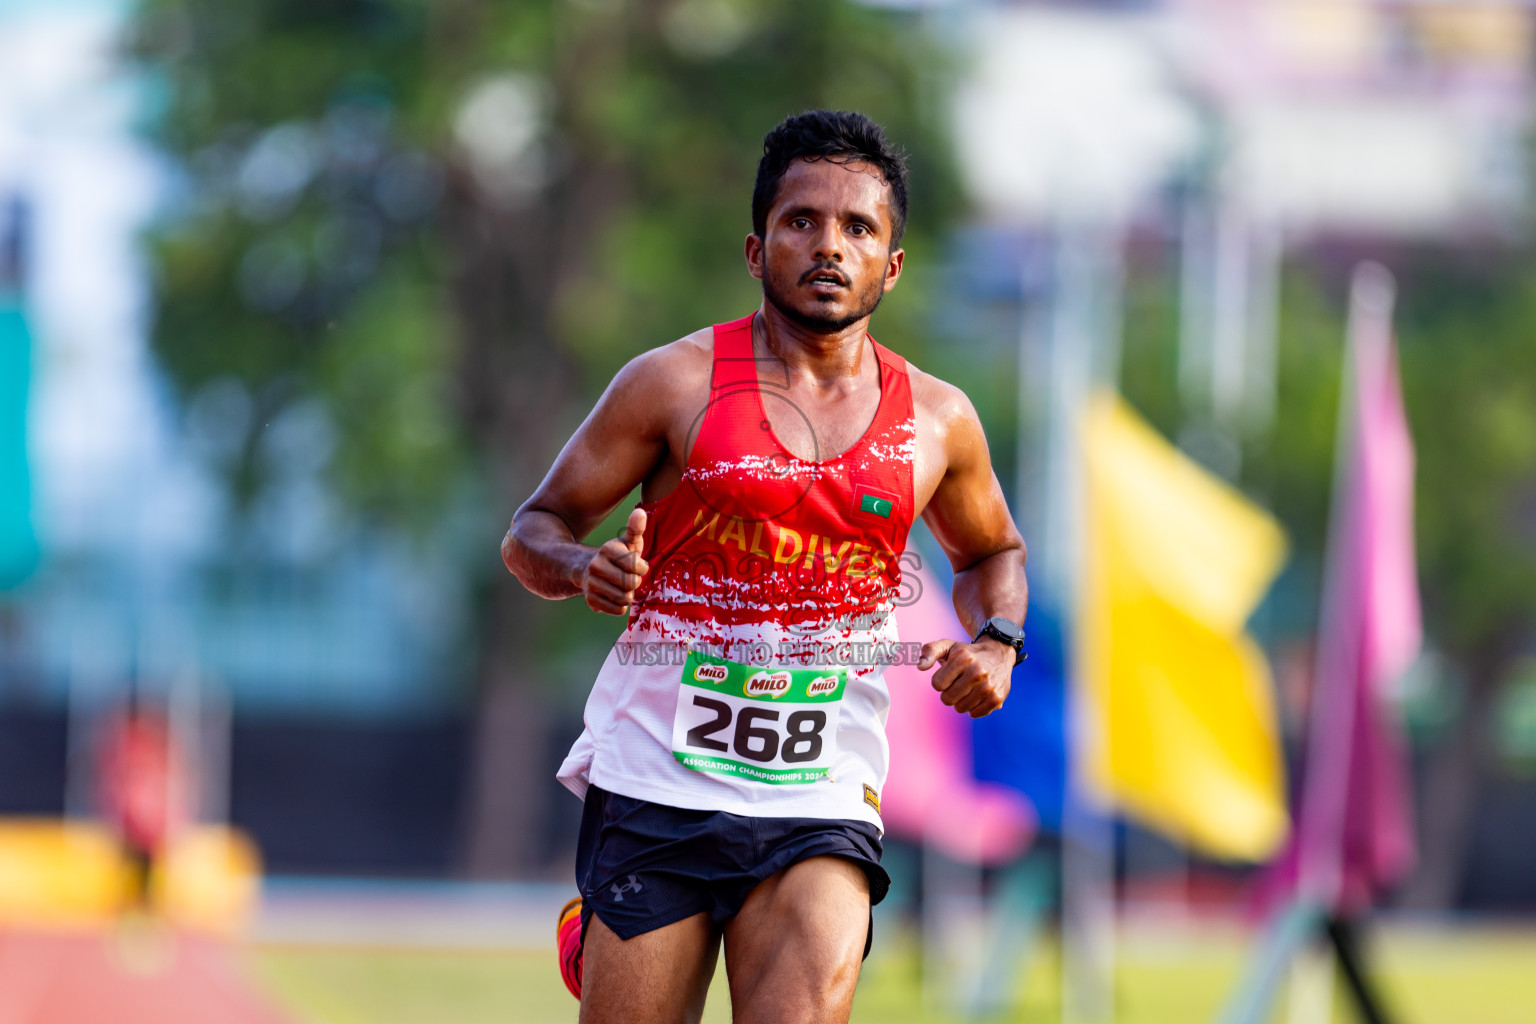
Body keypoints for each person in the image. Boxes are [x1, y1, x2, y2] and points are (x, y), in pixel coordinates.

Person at [503, 109, 1028, 1024]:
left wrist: (998, 640)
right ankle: (598, 926)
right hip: (657, 780)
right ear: (756, 248)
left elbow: (992, 552)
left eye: (859, 227)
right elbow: (532, 529)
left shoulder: (938, 421)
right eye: (801, 222)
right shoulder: (671, 384)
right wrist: (582, 567)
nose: (829, 246)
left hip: (821, 785)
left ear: (891, 264)